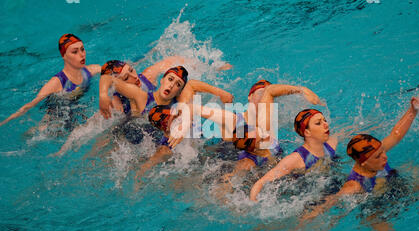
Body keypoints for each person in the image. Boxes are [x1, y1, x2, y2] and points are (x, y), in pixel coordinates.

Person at [292, 97, 419, 231]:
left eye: (382, 151)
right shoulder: (354, 185)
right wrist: (303, 222)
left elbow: (396, 135)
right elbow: (331, 201)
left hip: (396, 184)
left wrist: (412, 111)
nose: (385, 156)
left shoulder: (375, 153)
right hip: (376, 205)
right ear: (364, 162)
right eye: (379, 156)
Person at [138, 80, 323, 196]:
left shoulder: (264, 128)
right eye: (259, 94)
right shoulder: (237, 123)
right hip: (225, 153)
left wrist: (301, 90)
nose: (265, 98)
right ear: (250, 97)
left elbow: (272, 91)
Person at [54, 58, 233, 155]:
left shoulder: (151, 80)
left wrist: (216, 76)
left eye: (132, 70)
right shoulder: (132, 98)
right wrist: (102, 96)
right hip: (137, 133)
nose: (135, 78)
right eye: (127, 78)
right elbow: (108, 76)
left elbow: (186, 78)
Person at [0, 34, 101, 134]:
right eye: (75, 52)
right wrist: (4, 123)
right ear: (64, 56)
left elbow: (112, 72)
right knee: (39, 133)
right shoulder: (56, 83)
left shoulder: (92, 70)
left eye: (82, 49)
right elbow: (28, 106)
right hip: (56, 116)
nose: (81, 54)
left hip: (77, 109)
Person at [249, 109, 339, 201]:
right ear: (307, 132)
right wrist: (253, 202)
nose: (326, 125)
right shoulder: (296, 159)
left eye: (325, 120)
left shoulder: (331, 144)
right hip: (306, 197)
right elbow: (261, 182)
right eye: (318, 123)